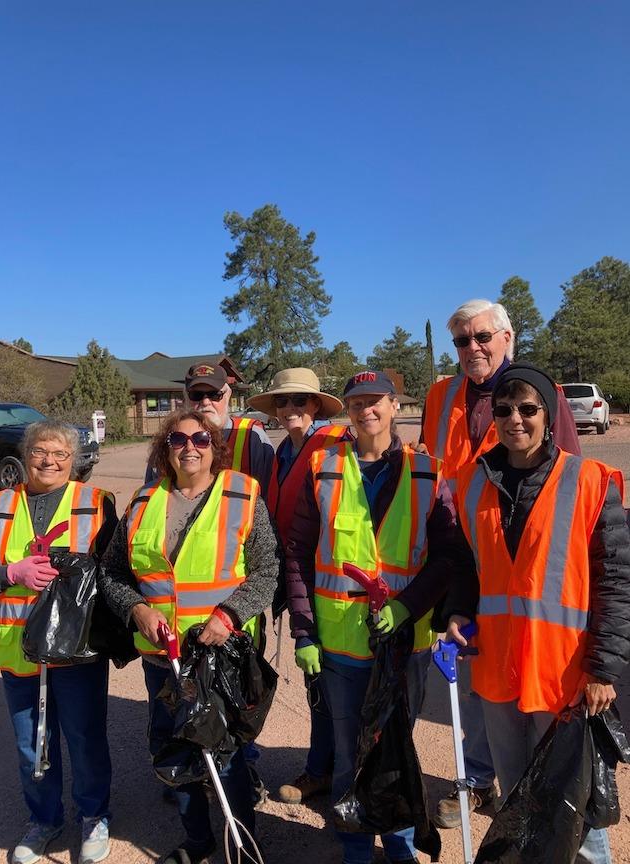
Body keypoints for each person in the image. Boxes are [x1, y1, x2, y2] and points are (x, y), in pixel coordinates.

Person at [446, 362, 630, 864]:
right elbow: (466, 566)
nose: (515, 419)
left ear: (548, 416)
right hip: (498, 671)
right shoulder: (471, 483)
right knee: (519, 800)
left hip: (566, 678)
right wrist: (459, 612)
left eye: (528, 408)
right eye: (504, 410)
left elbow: (617, 582)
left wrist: (603, 669)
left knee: (573, 803)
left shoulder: (590, 481)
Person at [285, 370, 472, 864]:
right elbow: (298, 553)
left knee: (396, 747)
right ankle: (354, 844)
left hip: (403, 643)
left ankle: (399, 840)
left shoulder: (427, 470)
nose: (365, 410)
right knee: (348, 751)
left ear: (394, 406)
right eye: (355, 402)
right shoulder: (322, 467)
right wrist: (304, 632)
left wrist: (408, 606)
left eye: (375, 401)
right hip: (340, 643)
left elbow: (449, 554)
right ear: (346, 411)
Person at [420, 298, 580, 829]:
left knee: (528, 684)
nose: (473, 349)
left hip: (519, 559)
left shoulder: (539, 394)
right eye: (463, 340)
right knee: (471, 678)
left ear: (508, 337)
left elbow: (569, 481)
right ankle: (477, 779)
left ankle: (538, 790)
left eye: (483, 337)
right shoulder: (441, 395)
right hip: (458, 555)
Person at [99, 410, 280, 864]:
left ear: (213, 445)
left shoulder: (243, 495)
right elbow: (114, 572)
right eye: (178, 439)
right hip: (164, 659)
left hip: (222, 655)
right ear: (166, 447)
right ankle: (197, 840)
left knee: (227, 751)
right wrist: (136, 608)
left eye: (200, 438)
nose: (189, 446)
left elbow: (267, 569)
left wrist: (230, 615)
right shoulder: (142, 502)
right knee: (175, 750)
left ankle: (243, 844)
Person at [0, 420, 117, 864]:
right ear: (25, 454)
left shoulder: (97, 504)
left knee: (84, 736)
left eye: (61, 454)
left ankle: (95, 816)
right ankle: (44, 820)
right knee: (31, 743)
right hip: (16, 646)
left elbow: (117, 575)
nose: (49, 461)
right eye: (40, 451)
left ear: (74, 461)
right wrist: (8, 574)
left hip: (75, 648)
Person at [247, 367, 350, 805]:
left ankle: (333, 770)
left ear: (315, 406)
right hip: (294, 576)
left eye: (300, 401)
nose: (291, 409)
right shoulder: (281, 453)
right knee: (318, 679)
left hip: (328, 579)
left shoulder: (336, 447)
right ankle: (324, 766)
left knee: (336, 681)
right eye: (283, 402)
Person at [144, 363, 274, 498]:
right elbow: (152, 496)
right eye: (196, 395)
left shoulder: (252, 437)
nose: (205, 402)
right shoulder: (169, 440)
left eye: (214, 394)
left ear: (227, 396)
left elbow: (269, 497)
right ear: (186, 398)